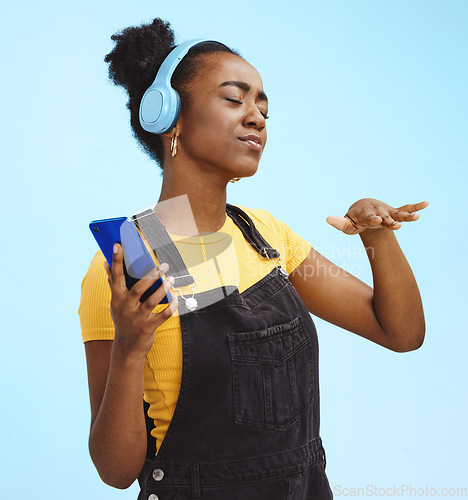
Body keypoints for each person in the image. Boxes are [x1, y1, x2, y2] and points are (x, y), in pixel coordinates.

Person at [78, 18, 427, 499]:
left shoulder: (267, 234)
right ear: (169, 116)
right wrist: (131, 347)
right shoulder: (123, 269)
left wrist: (376, 238)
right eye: (234, 98)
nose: (257, 117)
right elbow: (116, 470)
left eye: (263, 106)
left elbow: (400, 332)